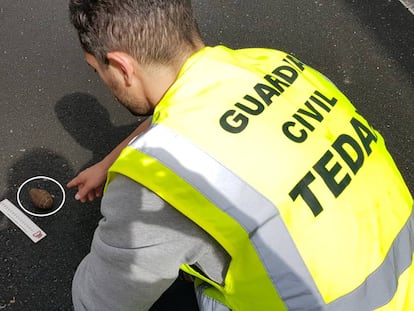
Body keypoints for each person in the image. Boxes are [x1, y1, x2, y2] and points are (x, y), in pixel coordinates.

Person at [67, 0, 414, 310]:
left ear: (121, 66)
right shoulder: (271, 62)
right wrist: (110, 160)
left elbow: (97, 302)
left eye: (97, 70)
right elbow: (182, 115)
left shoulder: (155, 176)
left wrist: (119, 216)